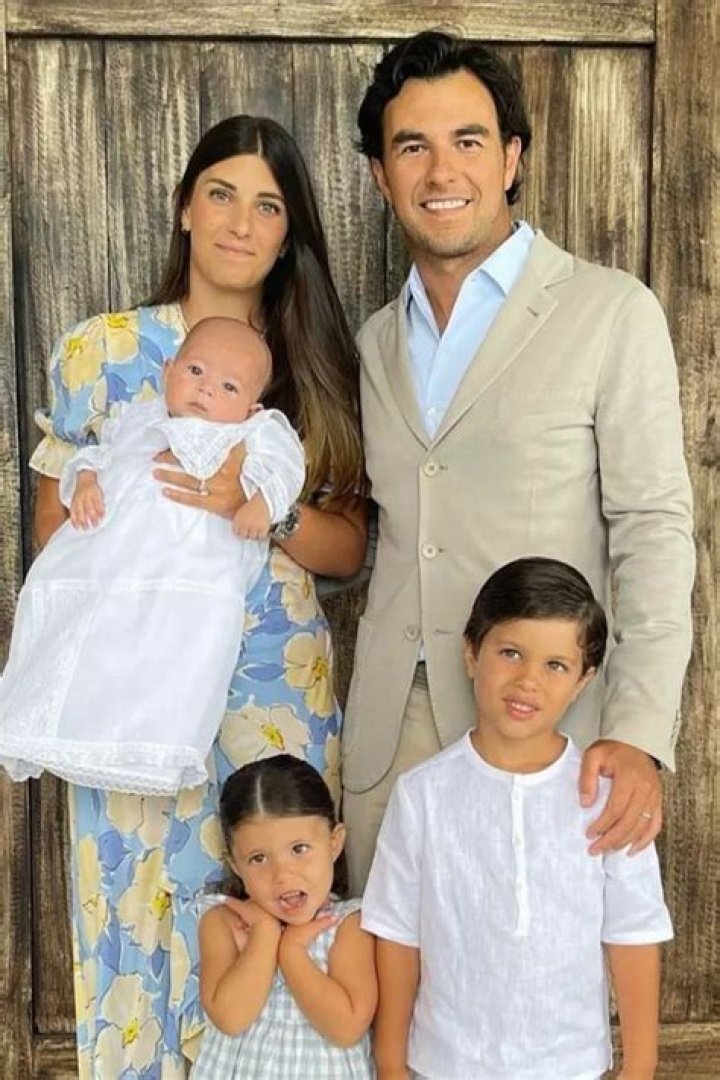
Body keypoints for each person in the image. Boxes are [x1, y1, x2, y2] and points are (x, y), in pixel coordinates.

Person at [30, 115, 367, 1076]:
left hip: (272, 674)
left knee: (273, 900)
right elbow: (51, 530)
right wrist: (125, 512)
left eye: (269, 206)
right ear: (185, 206)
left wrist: (259, 509)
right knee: (133, 892)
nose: (240, 222)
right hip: (132, 671)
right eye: (221, 194)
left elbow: (348, 546)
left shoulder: (313, 361)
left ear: (289, 233)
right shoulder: (102, 352)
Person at [342, 30, 694, 890]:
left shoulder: (610, 312)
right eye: (412, 147)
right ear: (382, 176)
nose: (441, 171)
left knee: (538, 967)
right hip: (389, 746)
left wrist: (638, 731)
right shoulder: (373, 343)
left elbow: (653, 531)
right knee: (384, 972)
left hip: (547, 733)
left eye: (467, 140)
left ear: (510, 157)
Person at [363, 557, 673, 1080]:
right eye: (510, 653)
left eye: (556, 666)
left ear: (583, 680)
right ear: (471, 653)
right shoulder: (422, 794)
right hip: (446, 1063)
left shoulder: (609, 798)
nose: (528, 680)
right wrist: (391, 1062)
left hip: (571, 1065)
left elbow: (634, 929)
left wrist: (640, 1065)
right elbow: (396, 932)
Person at [0, 317, 305, 793]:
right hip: (115, 566)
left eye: (228, 387)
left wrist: (261, 504)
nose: (206, 389)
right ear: (169, 371)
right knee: (94, 650)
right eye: (196, 371)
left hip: (194, 576)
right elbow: (96, 456)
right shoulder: (138, 418)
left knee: (174, 659)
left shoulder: (254, 431)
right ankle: (69, 730)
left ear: (251, 407)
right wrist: (85, 482)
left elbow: (286, 469)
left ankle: (158, 748)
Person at [192, 754, 377, 1077]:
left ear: (334, 843)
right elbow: (230, 1018)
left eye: (299, 849)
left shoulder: (347, 924)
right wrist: (265, 934)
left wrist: (292, 952)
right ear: (235, 865)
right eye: (258, 858)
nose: (283, 875)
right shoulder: (223, 920)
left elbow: (347, 1027)